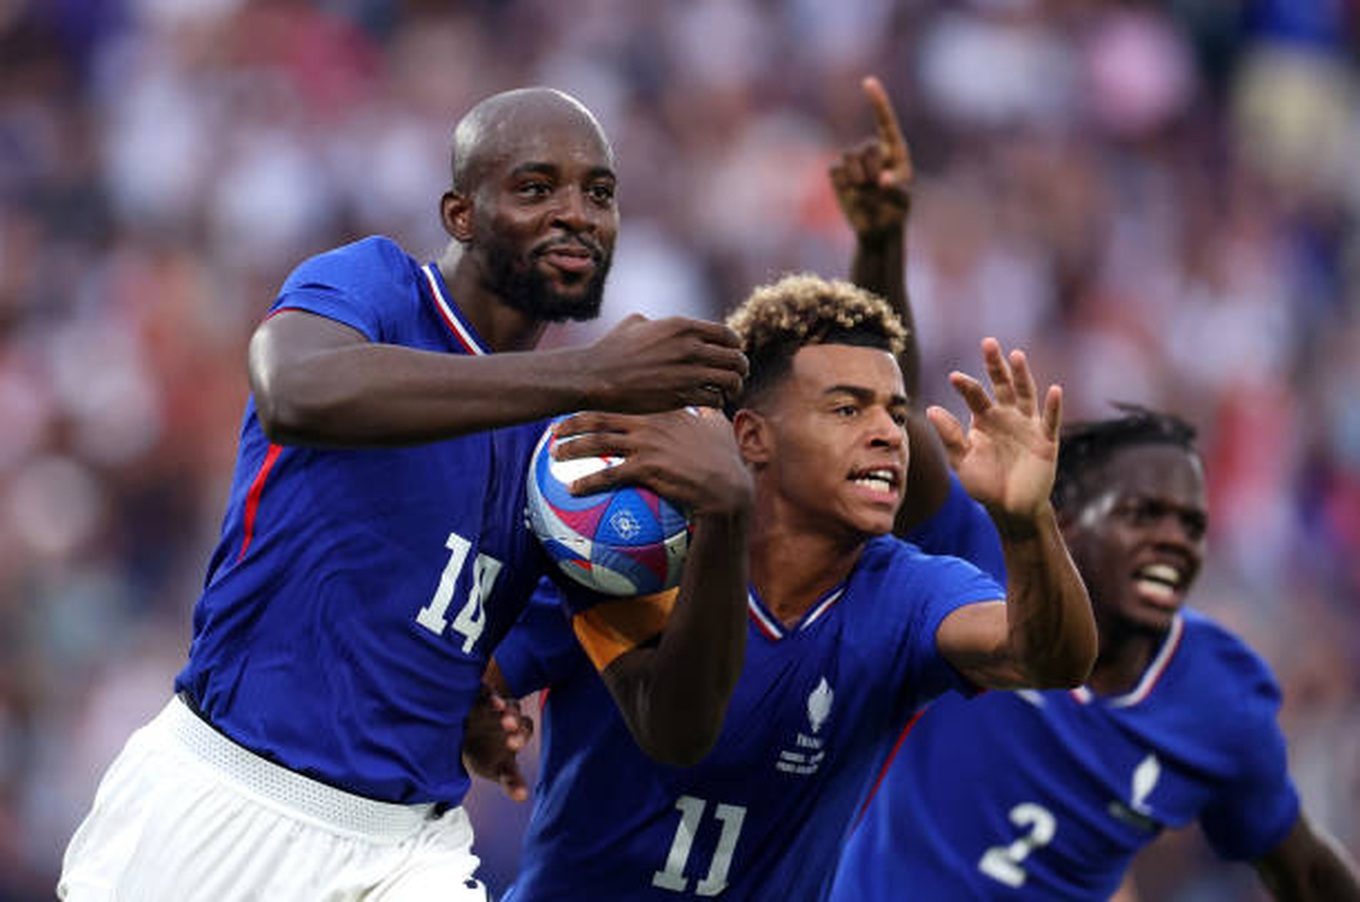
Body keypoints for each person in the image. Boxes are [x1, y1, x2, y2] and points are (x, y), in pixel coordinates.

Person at [56, 86, 757, 901]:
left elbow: (676, 727)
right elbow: (297, 390)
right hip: (224, 801)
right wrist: (592, 373)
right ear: (461, 214)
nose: (577, 214)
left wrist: (728, 516)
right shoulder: (377, 289)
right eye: (537, 188)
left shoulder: (573, 461)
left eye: (598, 193)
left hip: (406, 850)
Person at [468, 76, 1096, 902]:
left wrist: (1025, 521)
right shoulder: (631, 551)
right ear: (751, 439)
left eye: (895, 413)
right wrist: (482, 710)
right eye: (846, 409)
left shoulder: (902, 592)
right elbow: (468, 674)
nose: (886, 433)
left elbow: (1048, 654)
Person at [826, 406, 1360, 901]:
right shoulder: (981, 555)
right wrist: (868, 333)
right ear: (1068, 524)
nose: (1174, 539)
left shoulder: (1223, 696)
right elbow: (890, 415)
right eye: (1142, 514)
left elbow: (1304, 870)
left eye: (1191, 525)